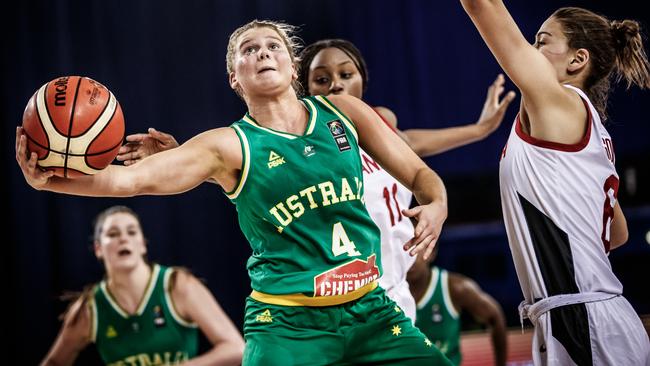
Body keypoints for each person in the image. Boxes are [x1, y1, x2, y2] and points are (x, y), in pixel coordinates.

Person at [17, 20, 452, 365]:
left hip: (371, 311)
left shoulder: (343, 112)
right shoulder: (226, 145)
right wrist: (49, 180)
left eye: (273, 45)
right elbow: (129, 180)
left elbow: (418, 173)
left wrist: (437, 203)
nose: (262, 51)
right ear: (234, 78)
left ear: (293, 67)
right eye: (249, 49)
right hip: (288, 323)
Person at [117, 38, 515, 323]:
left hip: (390, 295)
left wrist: (479, 130)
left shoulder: (382, 130)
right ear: (303, 85)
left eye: (346, 74)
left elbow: (417, 151)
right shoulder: (305, 144)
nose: (336, 84)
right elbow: (251, 175)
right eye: (322, 80)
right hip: (330, 298)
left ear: (362, 79)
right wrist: (180, 154)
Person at [460, 2, 650, 364]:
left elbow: (482, 6)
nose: (530, 51)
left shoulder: (558, 102)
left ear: (577, 60)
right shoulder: (584, 128)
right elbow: (619, 232)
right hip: (591, 317)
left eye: (541, 42)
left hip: (584, 320)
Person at [40, 205, 244, 366]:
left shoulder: (176, 285)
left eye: (131, 232)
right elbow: (54, 361)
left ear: (143, 244)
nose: (123, 239)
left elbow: (236, 348)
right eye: (113, 234)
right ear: (98, 248)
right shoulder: (90, 308)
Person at [407, 246, 507, 366]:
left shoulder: (454, 287)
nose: (410, 256)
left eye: (415, 249)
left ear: (432, 252)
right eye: (403, 248)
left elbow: (495, 316)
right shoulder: (384, 290)